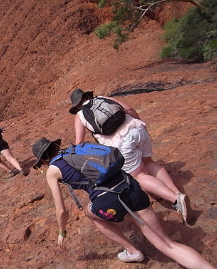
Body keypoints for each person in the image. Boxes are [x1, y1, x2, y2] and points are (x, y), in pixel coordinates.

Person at [32, 137, 217, 269]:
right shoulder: (77, 150)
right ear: (56, 148)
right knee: (167, 245)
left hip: (107, 200)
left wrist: (61, 232)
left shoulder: (52, 171)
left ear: (43, 160)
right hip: (130, 186)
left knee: (91, 213)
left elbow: (61, 210)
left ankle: (132, 250)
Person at [69, 88, 191, 224]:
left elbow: (79, 143)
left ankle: (175, 199)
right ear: (87, 96)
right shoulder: (103, 98)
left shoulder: (80, 116)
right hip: (137, 129)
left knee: (139, 176)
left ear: (77, 105)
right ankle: (177, 192)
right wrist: (140, 124)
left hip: (121, 143)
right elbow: (129, 109)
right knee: (149, 163)